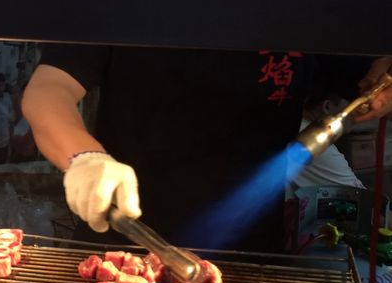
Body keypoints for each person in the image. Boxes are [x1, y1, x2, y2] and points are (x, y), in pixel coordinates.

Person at [21, 46, 392, 252]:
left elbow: (371, 70)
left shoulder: (298, 1)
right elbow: (49, 89)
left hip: (248, 255)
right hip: (123, 241)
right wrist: (85, 156)